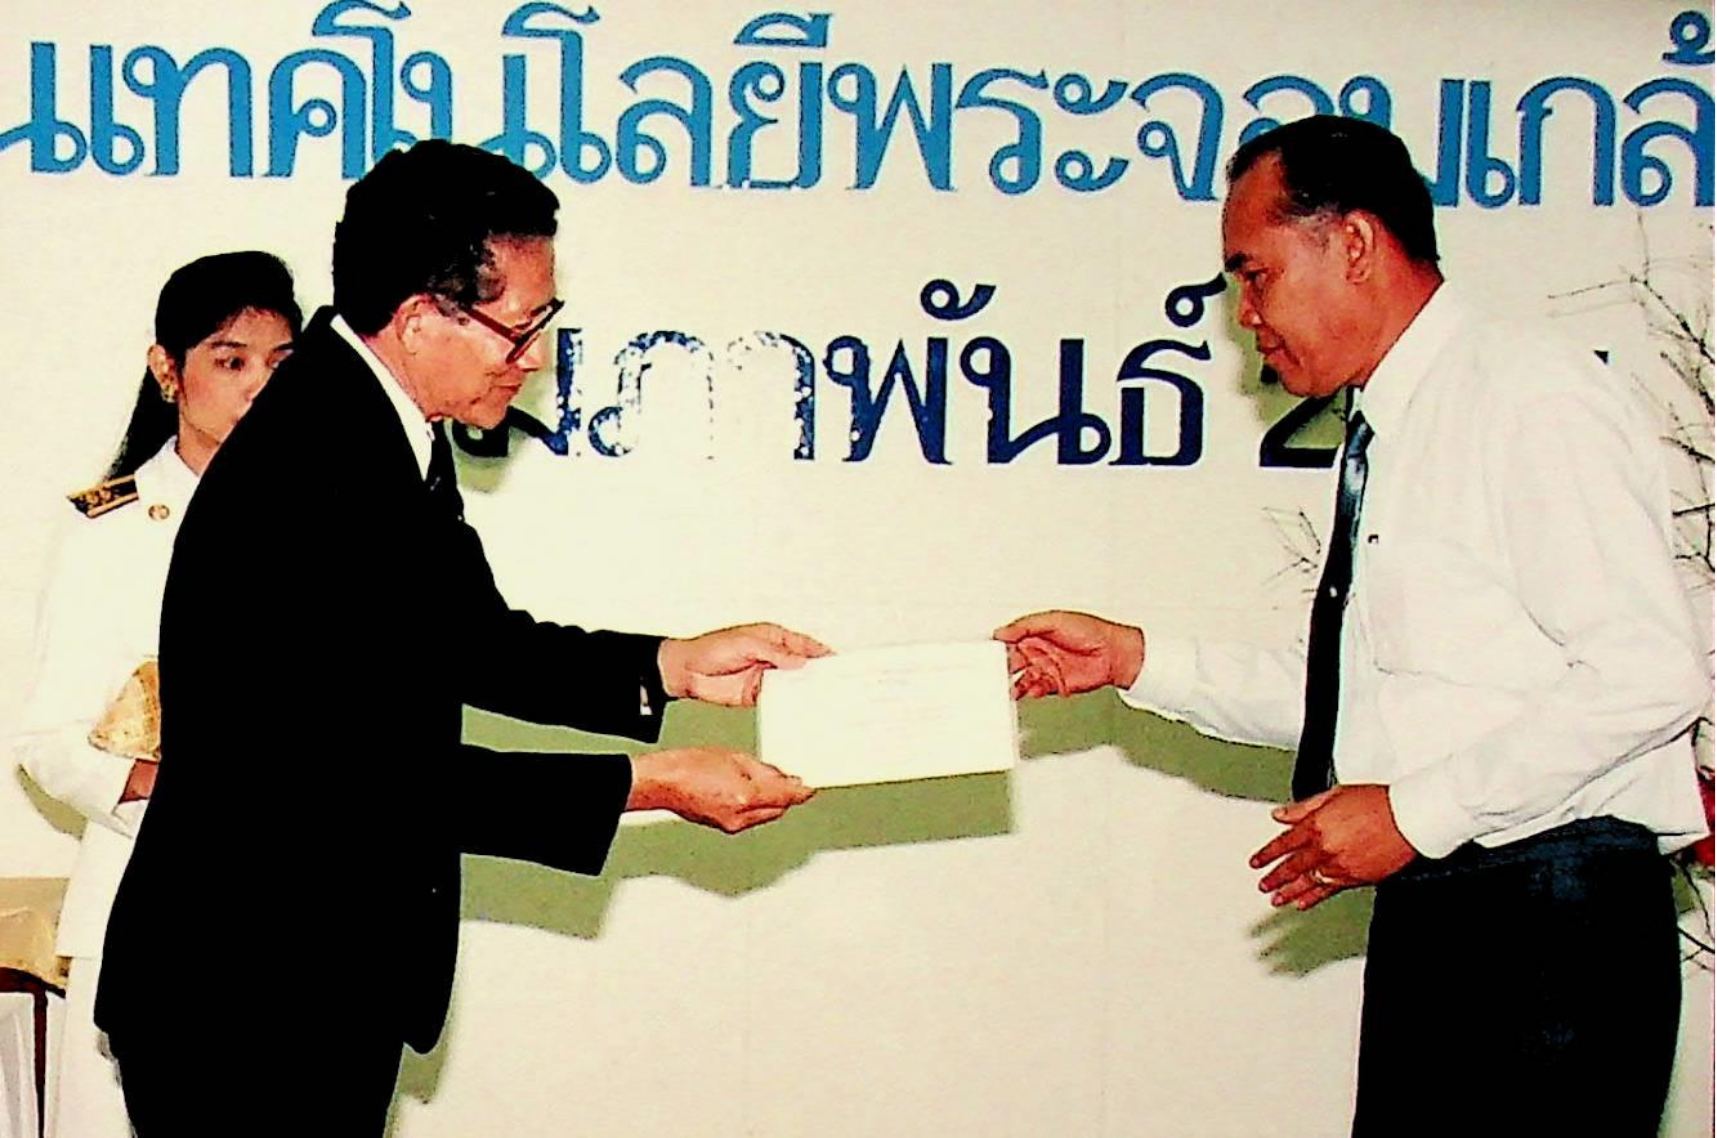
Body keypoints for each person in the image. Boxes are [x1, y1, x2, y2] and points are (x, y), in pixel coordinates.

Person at [94, 140, 826, 1136]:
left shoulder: (374, 423)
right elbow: (354, 777)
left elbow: (471, 640)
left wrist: (671, 666)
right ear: (419, 318)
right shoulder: (317, 468)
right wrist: (647, 783)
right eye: (519, 330)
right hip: (248, 996)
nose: (534, 360)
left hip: (303, 972)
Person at [995, 115, 1709, 1137]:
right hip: (1452, 905)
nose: (1245, 315)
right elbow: (1362, 699)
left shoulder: (1528, 396)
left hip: (1551, 917)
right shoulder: (1397, 426)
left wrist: (1413, 811)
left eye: (1256, 275)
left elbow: (1647, 676)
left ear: (1356, 243)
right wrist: (1134, 661)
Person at [14, 251, 302, 1138]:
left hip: (303, 917)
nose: (258, 385)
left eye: (280, 363)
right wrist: (170, 793)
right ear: (167, 369)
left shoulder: (332, 519)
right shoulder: (107, 529)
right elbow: (51, 740)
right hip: (146, 913)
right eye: (230, 359)